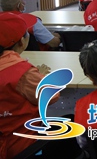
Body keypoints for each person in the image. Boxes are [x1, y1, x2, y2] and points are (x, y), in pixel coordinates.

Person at [0, 12, 55, 158]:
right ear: (21, 42)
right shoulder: (22, 73)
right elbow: (52, 95)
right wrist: (40, 76)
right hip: (20, 144)